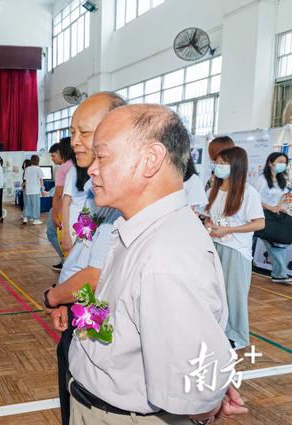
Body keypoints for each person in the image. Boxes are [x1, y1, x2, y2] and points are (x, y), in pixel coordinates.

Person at [67, 104, 248, 424]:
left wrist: (208, 400)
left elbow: (193, 391)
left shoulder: (167, 257)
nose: (92, 169)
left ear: (150, 159)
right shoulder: (139, 228)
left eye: (102, 156)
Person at [41, 92, 126, 425]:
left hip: (97, 329)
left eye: (84, 132)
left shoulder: (121, 196)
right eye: (72, 132)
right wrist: (65, 298)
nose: (74, 141)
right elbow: (83, 251)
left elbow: (96, 276)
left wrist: (52, 297)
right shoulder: (95, 190)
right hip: (78, 316)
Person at [203, 146, 265, 350]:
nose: (218, 167)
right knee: (215, 292)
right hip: (214, 245)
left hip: (236, 250)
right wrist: (208, 224)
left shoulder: (248, 192)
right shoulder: (215, 188)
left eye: (223, 163)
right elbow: (211, 215)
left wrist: (231, 230)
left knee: (233, 294)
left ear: (236, 166)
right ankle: (219, 330)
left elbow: (259, 223)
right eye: (218, 163)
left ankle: (237, 336)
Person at [253, 152, 291, 283]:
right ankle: (278, 274)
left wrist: (279, 207)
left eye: (285, 162)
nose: (283, 164)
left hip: (274, 216)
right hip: (259, 215)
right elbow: (254, 199)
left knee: (275, 244)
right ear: (270, 163)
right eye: (280, 161)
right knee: (267, 243)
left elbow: (282, 195)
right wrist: (270, 207)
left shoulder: (282, 180)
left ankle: (279, 274)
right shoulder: (262, 180)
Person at [47, 138, 75, 271]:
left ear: (62, 152)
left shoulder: (63, 169)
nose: (52, 158)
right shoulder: (75, 166)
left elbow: (58, 194)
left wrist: (54, 214)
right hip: (74, 208)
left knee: (52, 233)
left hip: (62, 208)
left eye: (53, 155)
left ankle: (66, 260)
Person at [22, 154, 44, 224]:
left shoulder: (27, 169)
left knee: (28, 204)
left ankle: (25, 218)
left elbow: (25, 180)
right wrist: (42, 189)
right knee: (36, 205)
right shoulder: (38, 169)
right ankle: (36, 219)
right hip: (35, 190)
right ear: (38, 161)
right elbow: (41, 180)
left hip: (28, 190)